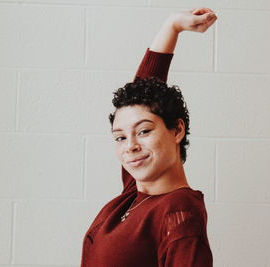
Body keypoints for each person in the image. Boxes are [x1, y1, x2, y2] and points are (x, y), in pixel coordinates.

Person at [81, 8, 217, 267]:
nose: (130, 146)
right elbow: (143, 94)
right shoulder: (135, 193)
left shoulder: (179, 212)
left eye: (143, 131)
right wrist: (172, 26)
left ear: (177, 130)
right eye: (120, 137)